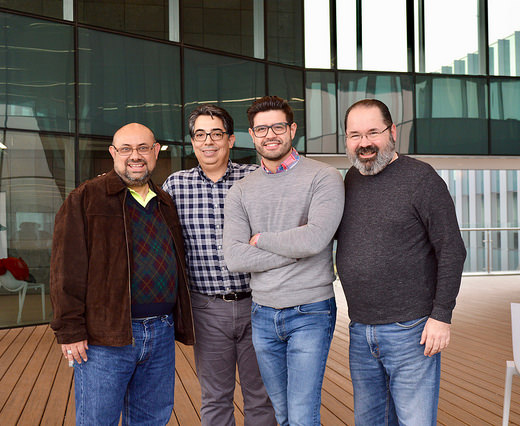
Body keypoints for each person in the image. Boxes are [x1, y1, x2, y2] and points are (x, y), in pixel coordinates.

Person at [49, 123, 195, 425]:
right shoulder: (85, 199)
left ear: (155, 152)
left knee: (151, 420)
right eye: (126, 149)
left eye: (143, 148)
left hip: (161, 333)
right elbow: (65, 271)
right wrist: (70, 330)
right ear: (113, 153)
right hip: (105, 338)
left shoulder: (164, 202)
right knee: (97, 420)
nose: (135, 156)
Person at [336, 99, 467, 425]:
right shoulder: (348, 181)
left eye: (372, 132)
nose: (364, 143)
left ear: (392, 132)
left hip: (412, 331)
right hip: (360, 331)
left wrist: (441, 316)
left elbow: (451, 249)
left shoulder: (421, 179)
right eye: (355, 135)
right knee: (370, 421)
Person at [222, 95, 344, 425]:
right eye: (262, 129)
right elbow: (234, 256)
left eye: (277, 126)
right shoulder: (242, 190)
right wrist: (295, 253)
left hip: (311, 310)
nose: (270, 135)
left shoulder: (324, 177)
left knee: (303, 416)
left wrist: (262, 240)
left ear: (292, 129)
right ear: (252, 134)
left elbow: (316, 239)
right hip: (262, 313)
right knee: (283, 414)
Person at [163, 104, 275, 425]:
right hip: (206, 309)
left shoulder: (254, 178)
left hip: (259, 305)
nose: (208, 141)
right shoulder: (175, 186)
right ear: (193, 141)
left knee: (261, 395)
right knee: (215, 397)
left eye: (216, 134)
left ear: (231, 139)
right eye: (200, 134)